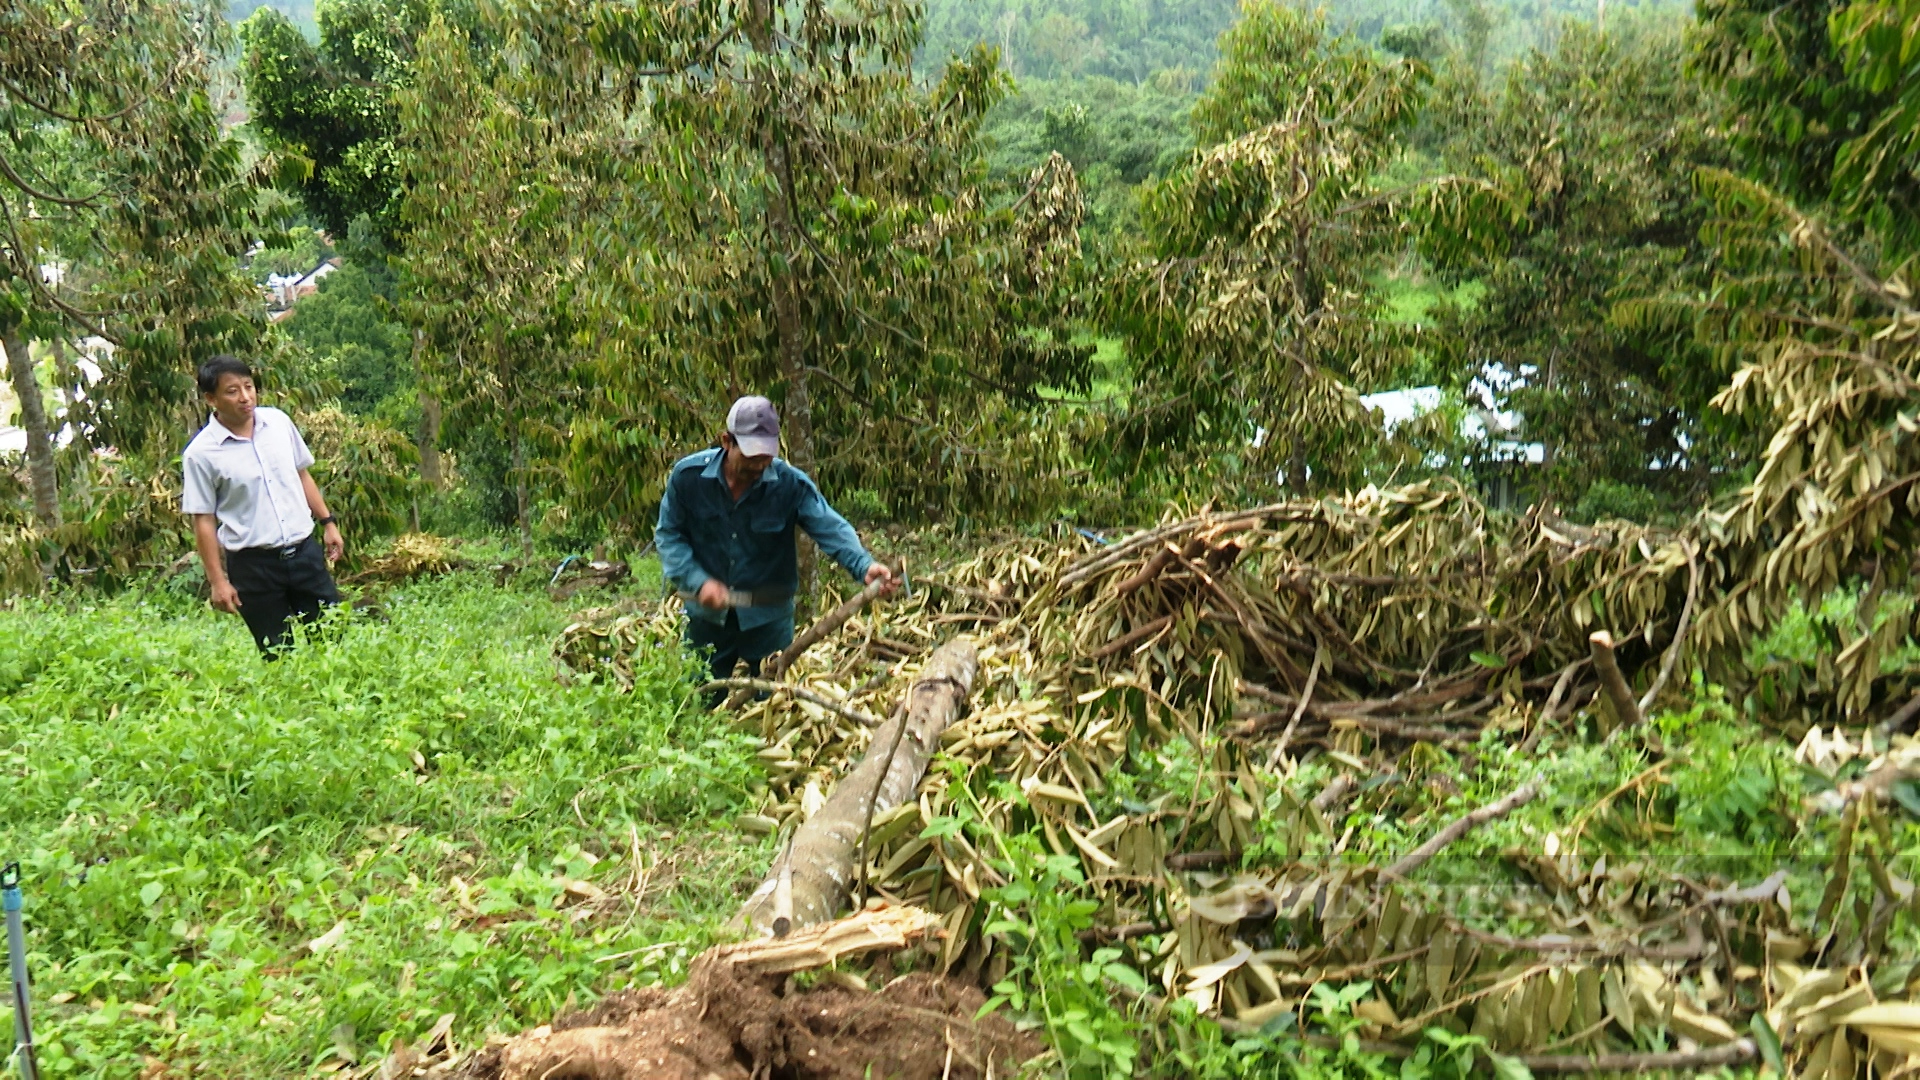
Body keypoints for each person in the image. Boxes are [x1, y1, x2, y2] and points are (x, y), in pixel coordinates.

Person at [656, 395, 895, 692]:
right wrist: (698, 582)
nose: (760, 463)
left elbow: (830, 527)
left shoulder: (789, 485)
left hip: (768, 620)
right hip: (707, 620)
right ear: (726, 441)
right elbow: (669, 535)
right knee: (699, 700)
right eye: (751, 454)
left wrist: (864, 565)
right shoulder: (689, 478)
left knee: (770, 703)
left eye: (766, 453)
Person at [181, 355, 345, 656]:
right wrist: (218, 581)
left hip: (304, 554)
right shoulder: (201, 454)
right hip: (253, 566)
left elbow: (300, 473)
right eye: (232, 391)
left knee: (332, 641)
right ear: (210, 399)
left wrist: (327, 521)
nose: (245, 397)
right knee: (277, 653)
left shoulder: (279, 423)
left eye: (249, 387)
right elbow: (203, 520)